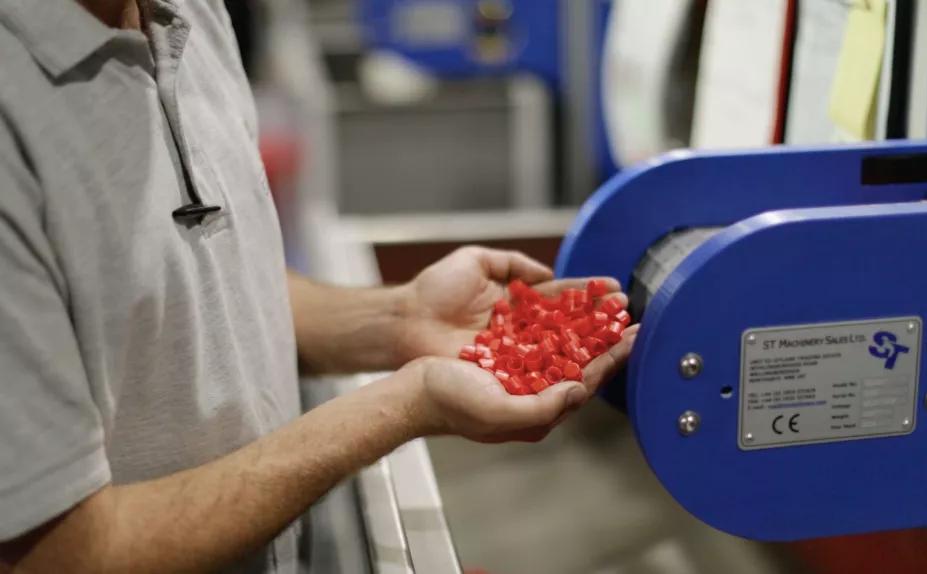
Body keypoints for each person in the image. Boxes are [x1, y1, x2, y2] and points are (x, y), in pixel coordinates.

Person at [0, 1, 638, 572]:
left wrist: (396, 318)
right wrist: (403, 406)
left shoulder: (185, 11)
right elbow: (59, 552)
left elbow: (189, 283)